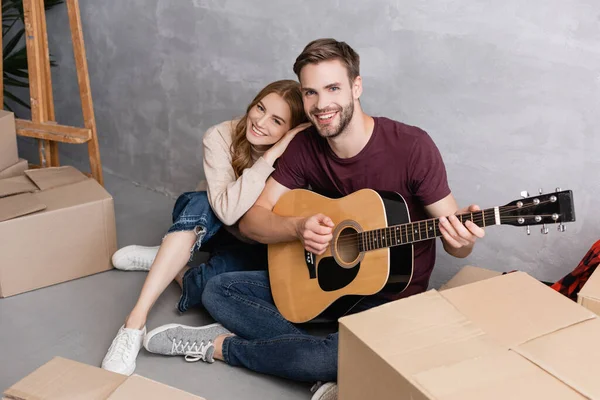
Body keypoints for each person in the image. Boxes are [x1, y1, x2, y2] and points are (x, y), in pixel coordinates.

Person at [142, 39, 485, 400]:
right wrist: (296, 227)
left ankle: (220, 346)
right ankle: (303, 357)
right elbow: (252, 221)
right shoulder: (305, 146)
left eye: (333, 88)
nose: (321, 105)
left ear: (356, 86)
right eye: (310, 93)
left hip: (392, 297)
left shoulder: (412, 147)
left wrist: (462, 241)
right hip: (321, 279)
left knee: (326, 358)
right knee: (219, 290)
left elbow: (455, 240)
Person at [101, 80, 310, 376]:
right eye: (260, 108)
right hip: (212, 221)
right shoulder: (220, 136)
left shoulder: (300, 156)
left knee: (208, 292)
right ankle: (133, 323)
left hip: (252, 240)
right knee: (201, 205)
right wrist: (268, 158)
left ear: (290, 131)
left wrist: (282, 152)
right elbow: (226, 211)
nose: (260, 122)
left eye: (276, 121)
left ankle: (169, 260)